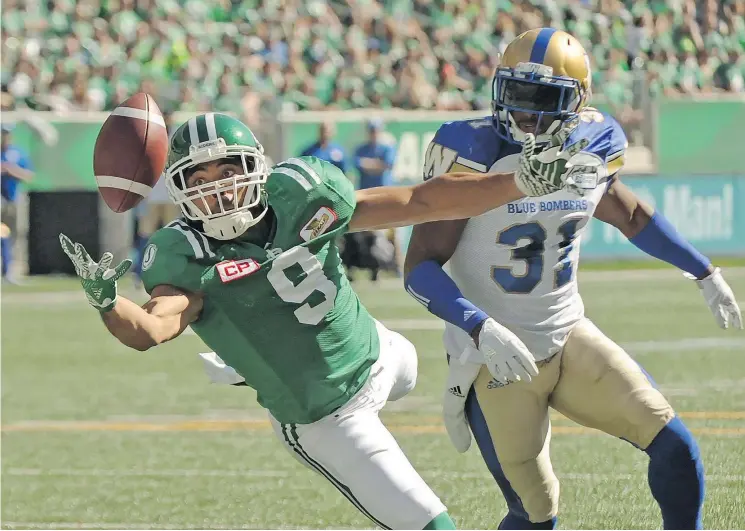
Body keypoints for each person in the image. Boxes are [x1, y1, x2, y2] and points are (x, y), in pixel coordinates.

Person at [59, 112, 580, 530]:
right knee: (433, 526)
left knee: (411, 364)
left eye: (228, 172)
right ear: (179, 188)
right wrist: (108, 303)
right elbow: (153, 328)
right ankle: (252, 358)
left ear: (257, 168)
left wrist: (516, 182)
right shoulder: (186, 253)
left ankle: (255, 356)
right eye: (200, 179)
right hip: (325, 415)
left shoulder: (302, 193)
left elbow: (420, 201)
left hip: (378, 354)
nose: (217, 190)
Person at [404, 28, 742, 530]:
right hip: (494, 361)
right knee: (537, 514)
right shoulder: (471, 149)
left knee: (677, 450)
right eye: (515, 94)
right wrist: (478, 326)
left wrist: (704, 271)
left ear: (577, 100)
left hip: (568, 334)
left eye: (543, 100)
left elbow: (631, 215)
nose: (524, 113)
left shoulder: (592, 142)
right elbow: (419, 266)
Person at [352, 118, 401, 279]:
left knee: (393, 232)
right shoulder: (362, 148)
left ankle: (398, 267)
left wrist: (370, 165)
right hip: (367, 195)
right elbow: (359, 164)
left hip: (385, 195)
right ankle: (374, 268)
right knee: (367, 233)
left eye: (376, 130)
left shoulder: (386, 148)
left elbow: (386, 165)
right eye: (372, 130)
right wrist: (376, 165)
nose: (374, 133)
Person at [1, 122, 34, 284]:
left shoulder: (18, 153)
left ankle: (11, 271)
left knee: (15, 233)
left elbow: (28, 175)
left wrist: (11, 170)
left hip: (14, 197)